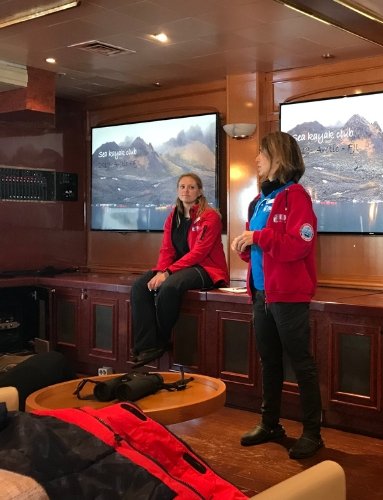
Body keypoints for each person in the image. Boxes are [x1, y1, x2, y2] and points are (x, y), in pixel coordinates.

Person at [231, 131, 323, 459]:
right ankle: (270, 424)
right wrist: (245, 245)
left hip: (288, 296)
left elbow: (299, 245)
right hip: (261, 294)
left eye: (262, 153)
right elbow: (260, 249)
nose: (256, 159)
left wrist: (258, 237)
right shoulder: (259, 199)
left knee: (301, 364)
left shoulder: (296, 196)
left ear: (279, 157)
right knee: (269, 362)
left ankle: (313, 433)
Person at [130, 173, 229, 366]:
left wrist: (168, 273)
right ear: (177, 190)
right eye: (182, 186)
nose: (186, 191)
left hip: (206, 268)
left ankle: (161, 340)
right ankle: (146, 346)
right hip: (178, 268)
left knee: (169, 287)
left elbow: (199, 253)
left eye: (191, 187)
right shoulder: (173, 216)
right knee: (139, 287)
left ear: (199, 191)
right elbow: (167, 249)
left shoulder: (210, 217)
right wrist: (161, 271)